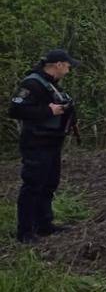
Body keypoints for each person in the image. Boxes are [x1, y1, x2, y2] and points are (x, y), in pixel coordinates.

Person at [8, 48, 80, 244]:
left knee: (49, 184)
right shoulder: (32, 84)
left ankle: (44, 225)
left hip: (51, 142)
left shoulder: (52, 85)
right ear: (58, 65)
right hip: (36, 143)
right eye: (67, 65)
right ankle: (25, 232)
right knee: (33, 185)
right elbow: (15, 109)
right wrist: (47, 111)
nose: (69, 69)